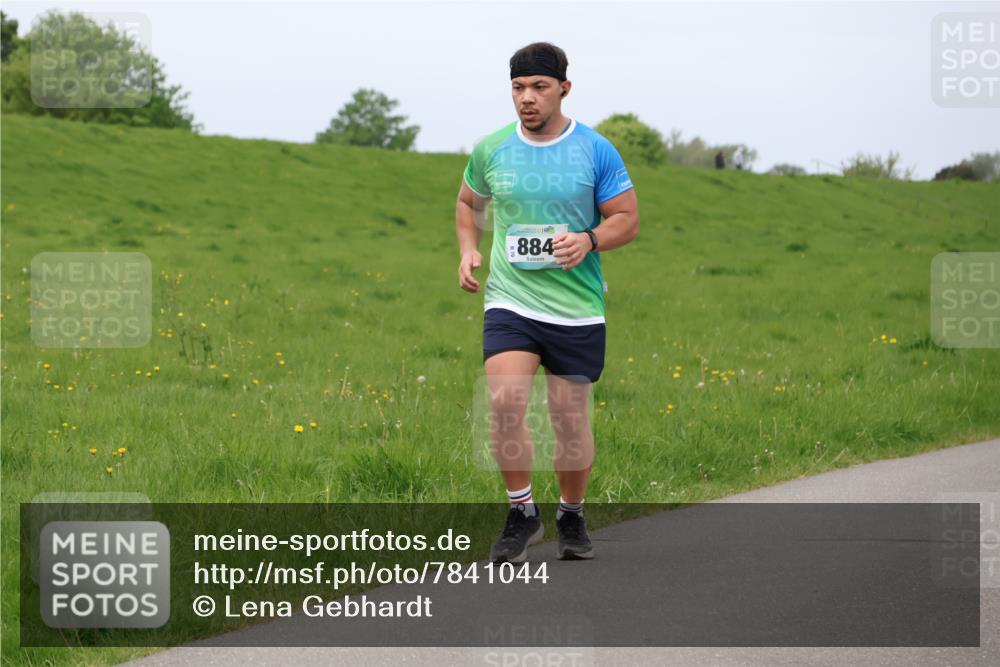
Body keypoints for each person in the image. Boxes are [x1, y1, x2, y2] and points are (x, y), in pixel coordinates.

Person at [454, 41, 640, 563]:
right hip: (511, 299)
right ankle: (522, 513)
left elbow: (626, 218)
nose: (527, 98)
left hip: (576, 306)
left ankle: (571, 515)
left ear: (564, 88)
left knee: (568, 418)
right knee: (505, 401)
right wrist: (469, 250)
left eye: (538, 87)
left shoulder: (595, 150)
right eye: (518, 88)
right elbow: (470, 203)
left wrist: (589, 240)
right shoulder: (492, 149)